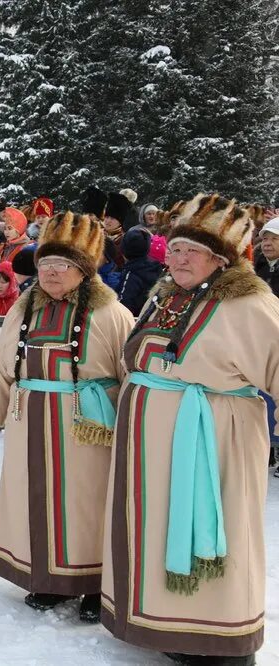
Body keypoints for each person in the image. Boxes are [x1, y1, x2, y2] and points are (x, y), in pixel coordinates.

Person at [102, 195, 279, 665]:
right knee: (159, 525)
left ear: (221, 260)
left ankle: (219, 641)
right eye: (176, 248)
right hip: (149, 442)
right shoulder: (165, 295)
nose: (180, 258)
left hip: (214, 441)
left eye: (193, 251)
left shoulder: (251, 304)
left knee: (213, 527)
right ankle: (169, 627)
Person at [0, 212, 135, 624]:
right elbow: (1, 368)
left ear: (83, 270)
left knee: (85, 503)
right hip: (30, 420)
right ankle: (44, 578)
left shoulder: (113, 315)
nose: (50, 272)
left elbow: (130, 375)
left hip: (86, 428)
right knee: (34, 498)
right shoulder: (23, 309)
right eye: (45, 264)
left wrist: (133, 429)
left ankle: (92, 584)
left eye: (61, 265)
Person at [255, 217, 279, 472]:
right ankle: (268, 447)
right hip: (260, 339)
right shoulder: (257, 268)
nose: (267, 243)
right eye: (265, 238)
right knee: (262, 393)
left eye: (273, 238)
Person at [116, 226, 162, 316]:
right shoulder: (155, 267)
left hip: (134, 320)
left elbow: (123, 304)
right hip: (150, 317)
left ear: (124, 250)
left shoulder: (131, 274)